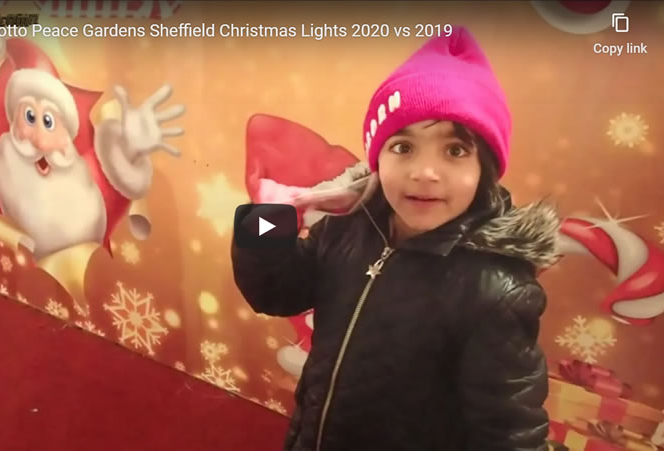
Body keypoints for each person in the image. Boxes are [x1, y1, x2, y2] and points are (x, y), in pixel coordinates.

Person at [231, 26, 560, 451]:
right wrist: (268, 221)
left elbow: (509, 434)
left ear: (485, 171)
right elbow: (275, 293)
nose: (424, 172)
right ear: (378, 159)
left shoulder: (496, 291)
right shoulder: (349, 224)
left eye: (455, 150)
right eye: (403, 147)